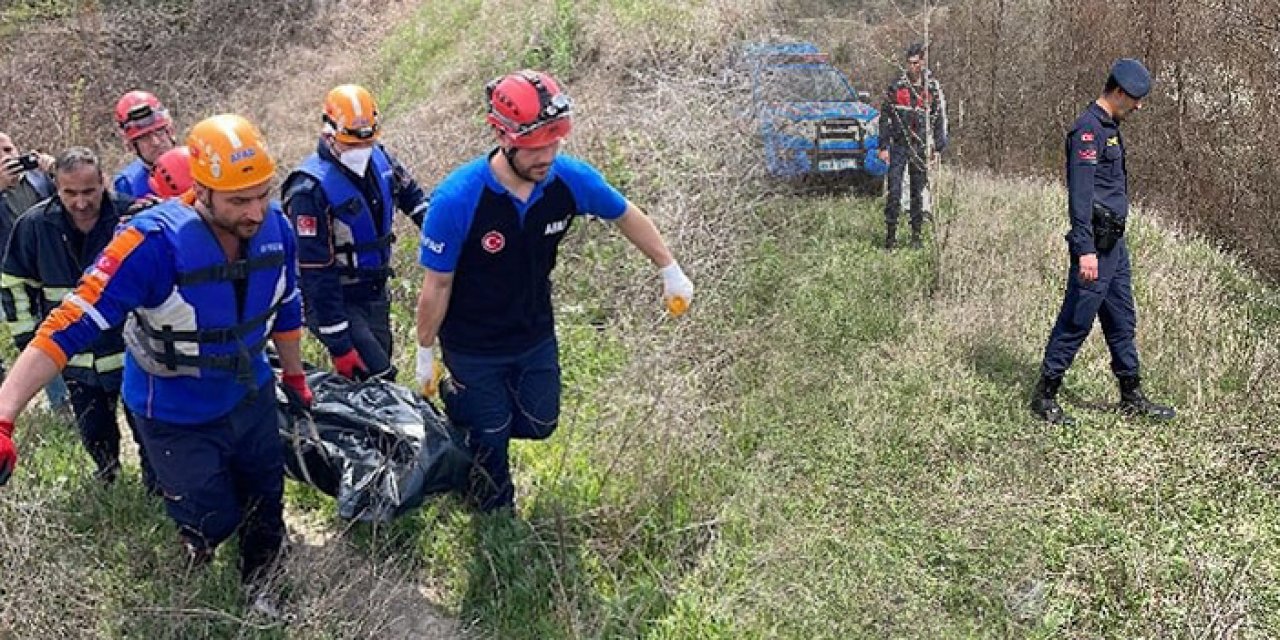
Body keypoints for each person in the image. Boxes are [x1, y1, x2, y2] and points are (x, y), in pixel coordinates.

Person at [0, 115, 313, 602]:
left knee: (265, 498)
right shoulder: (151, 244)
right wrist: (5, 415)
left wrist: (294, 377)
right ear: (203, 191)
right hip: (172, 409)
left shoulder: (277, 229)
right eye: (239, 201)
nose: (255, 211)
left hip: (248, 391)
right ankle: (197, 539)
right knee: (212, 515)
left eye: (262, 194)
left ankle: (262, 589)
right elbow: (68, 323)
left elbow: (286, 304)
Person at [415, 70, 694, 512]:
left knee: (540, 422)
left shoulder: (568, 180)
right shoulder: (457, 200)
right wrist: (425, 351)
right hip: (473, 343)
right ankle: (494, 508)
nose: (547, 155)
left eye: (554, 142)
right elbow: (437, 284)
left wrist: (669, 268)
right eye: (535, 147)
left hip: (533, 331)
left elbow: (625, 215)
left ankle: (470, 411)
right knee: (491, 435)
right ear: (503, 137)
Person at [1031, 58, 1175, 425]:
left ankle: (1131, 394)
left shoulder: (1110, 127)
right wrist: (1085, 250)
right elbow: (1080, 198)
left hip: (1114, 246)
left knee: (1122, 319)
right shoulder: (1088, 131)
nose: (1139, 106)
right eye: (1136, 99)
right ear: (1119, 92)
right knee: (1076, 319)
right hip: (1095, 246)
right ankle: (1045, 396)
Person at [1, 147, 155, 489]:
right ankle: (108, 482)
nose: (81, 202)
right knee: (95, 434)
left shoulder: (133, 217)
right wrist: (31, 346)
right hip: (75, 361)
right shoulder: (35, 226)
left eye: (89, 191)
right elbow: (13, 286)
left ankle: (155, 489)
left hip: (133, 358)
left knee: (150, 434)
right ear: (55, 185)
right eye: (70, 193)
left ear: (104, 182)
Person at [282, 84, 430, 382]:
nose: (360, 152)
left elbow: (415, 200)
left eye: (366, 145)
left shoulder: (381, 160)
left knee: (376, 377)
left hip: (374, 290)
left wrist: (445, 237)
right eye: (351, 146)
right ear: (329, 134)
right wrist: (339, 343)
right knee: (378, 375)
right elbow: (315, 273)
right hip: (335, 297)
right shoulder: (308, 190)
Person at [0, 132, 68, 410]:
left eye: (8, 148)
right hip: (14, 278)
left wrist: (55, 168)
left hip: (56, 269)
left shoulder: (40, 180)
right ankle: (61, 406)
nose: (6, 157)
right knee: (37, 339)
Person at [878, 42, 948, 249]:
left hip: (920, 147)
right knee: (895, 191)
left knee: (917, 193)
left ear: (923, 63)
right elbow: (885, 117)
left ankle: (916, 236)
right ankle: (890, 237)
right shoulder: (897, 86)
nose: (912, 67)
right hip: (899, 146)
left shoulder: (932, 88)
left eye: (915, 63)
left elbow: (938, 118)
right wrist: (883, 146)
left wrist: (937, 147)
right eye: (909, 63)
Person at [111, 90, 177, 200]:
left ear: (170, 131)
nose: (156, 142)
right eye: (145, 138)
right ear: (132, 145)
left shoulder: (196, 163)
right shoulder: (128, 184)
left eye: (159, 132)